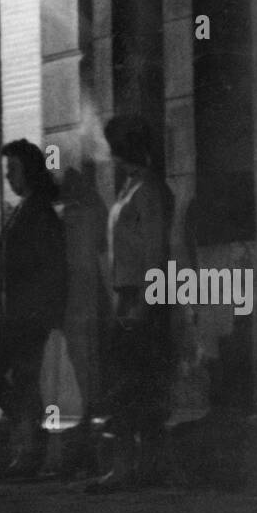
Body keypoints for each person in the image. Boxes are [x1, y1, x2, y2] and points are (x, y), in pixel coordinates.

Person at [87, 117, 176, 492]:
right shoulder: (132, 187)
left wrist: (144, 302)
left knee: (134, 383)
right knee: (130, 382)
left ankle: (131, 467)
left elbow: (155, 250)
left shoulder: (149, 190)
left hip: (142, 295)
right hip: (127, 294)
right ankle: (135, 465)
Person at [0, 139, 68, 478]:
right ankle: (30, 446)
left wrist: (42, 308)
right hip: (20, 309)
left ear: (28, 170)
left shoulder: (38, 211)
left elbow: (50, 265)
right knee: (24, 380)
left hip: (28, 312)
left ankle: (31, 437)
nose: (8, 176)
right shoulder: (28, 208)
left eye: (12, 169)